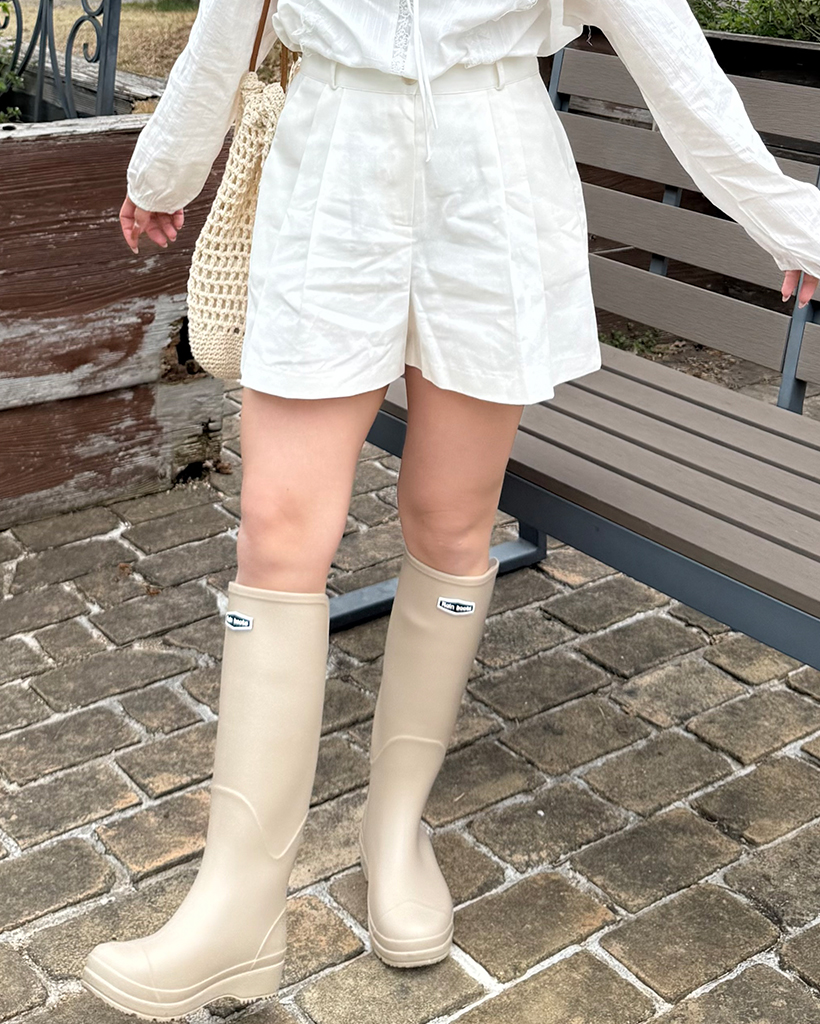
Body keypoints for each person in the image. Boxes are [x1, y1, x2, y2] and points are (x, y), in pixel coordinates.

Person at [83, 0, 820, 1018]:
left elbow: (666, 48)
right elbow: (229, 17)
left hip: (491, 171)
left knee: (449, 525)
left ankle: (396, 832)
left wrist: (787, 220)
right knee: (277, 534)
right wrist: (166, 169)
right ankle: (235, 909)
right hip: (331, 157)